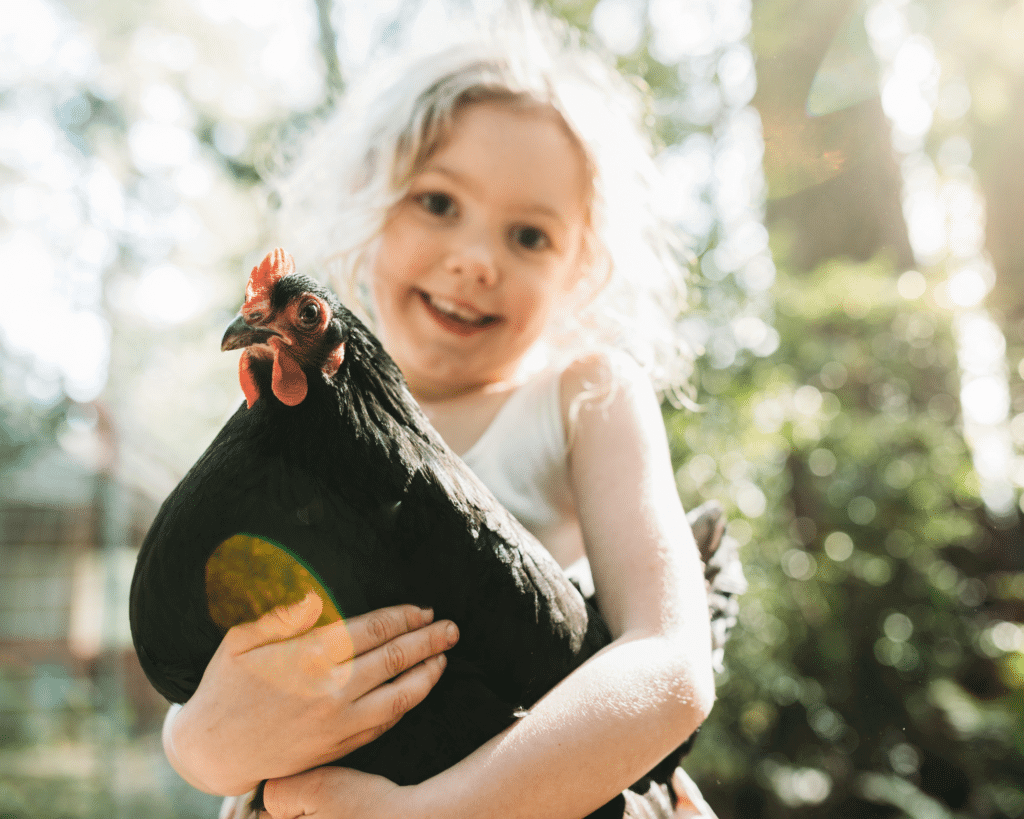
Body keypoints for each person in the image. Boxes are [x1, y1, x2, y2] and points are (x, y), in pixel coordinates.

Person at [162, 5, 719, 818]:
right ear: (373, 202)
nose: (475, 260)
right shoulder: (300, 416)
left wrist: (432, 813)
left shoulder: (581, 395)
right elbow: (222, 676)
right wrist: (196, 742)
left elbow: (669, 662)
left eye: (529, 236)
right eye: (438, 203)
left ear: (582, 268)